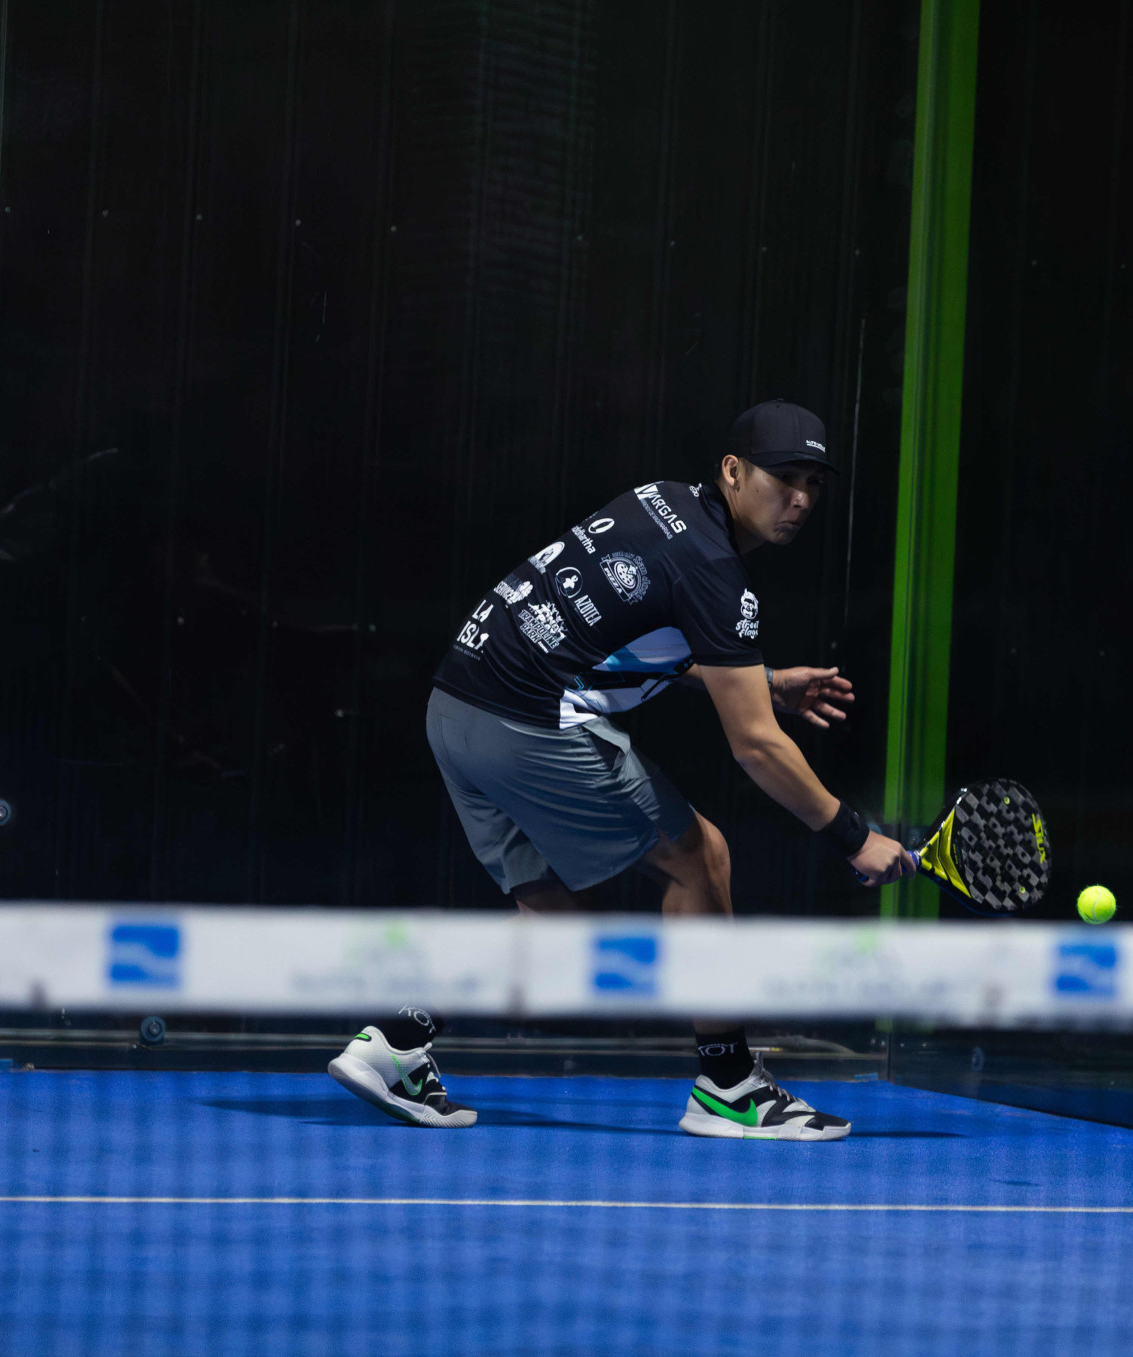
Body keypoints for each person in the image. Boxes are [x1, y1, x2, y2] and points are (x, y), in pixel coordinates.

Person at [326, 400, 916, 1137]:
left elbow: (625, 633)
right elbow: (757, 747)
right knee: (701, 859)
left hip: (454, 707)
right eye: (782, 477)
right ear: (733, 471)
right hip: (527, 720)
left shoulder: (662, 502)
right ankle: (730, 1085)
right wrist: (854, 836)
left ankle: (393, 1042)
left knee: (558, 923)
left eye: (813, 483)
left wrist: (761, 681)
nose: (799, 498)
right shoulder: (717, 570)